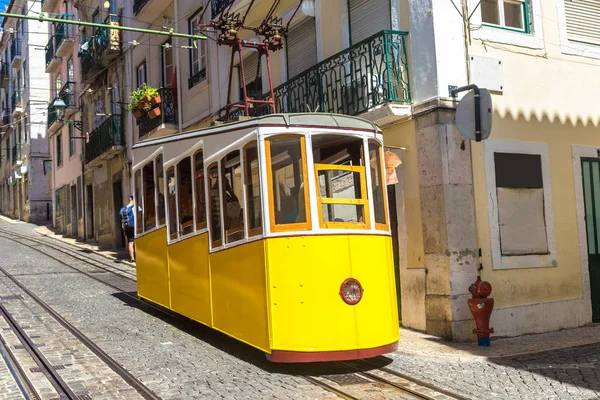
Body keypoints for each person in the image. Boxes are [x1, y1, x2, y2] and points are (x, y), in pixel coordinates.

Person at [120, 196, 136, 263]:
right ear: (132, 200)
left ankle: (132, 258)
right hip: (134, 226)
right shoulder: (134, 207)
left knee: (130, 242)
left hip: (127, 227)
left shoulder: (124, 209)